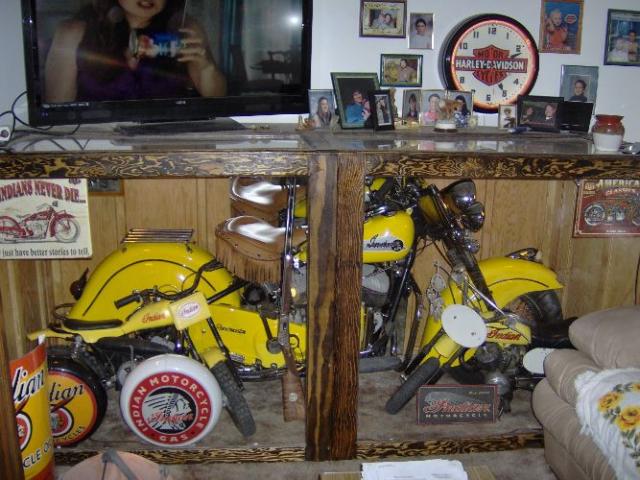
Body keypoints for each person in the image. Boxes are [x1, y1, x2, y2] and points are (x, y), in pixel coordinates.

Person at [44, 0, 226, 103]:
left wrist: (205, 67)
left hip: (166, 143)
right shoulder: (73, 32)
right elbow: (57, 111)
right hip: (96, 144)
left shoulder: (183, 28)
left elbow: (218, 100)